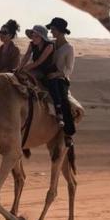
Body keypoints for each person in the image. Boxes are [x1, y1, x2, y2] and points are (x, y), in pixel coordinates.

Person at [45, 16, 76, 144]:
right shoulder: (51, 44)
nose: (51, 32)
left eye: (53, 29)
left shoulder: (69, 48)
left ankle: (68, 133)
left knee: (63, 100)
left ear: (59, 30)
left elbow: (69, 69)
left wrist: (57, 74)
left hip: (60, 79)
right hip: (47, 75)